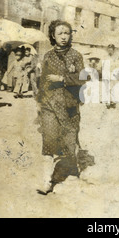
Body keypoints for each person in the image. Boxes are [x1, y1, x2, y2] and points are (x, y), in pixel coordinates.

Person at [36, 20, 95, 195]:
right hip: (49, 104)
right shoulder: (47, 56)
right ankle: (46, 181)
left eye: (67, 33)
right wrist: (39, 103)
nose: (63, 36)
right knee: (49, 140)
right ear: (53, 35)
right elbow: (42, 81)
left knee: (70, 140)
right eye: (60, 33)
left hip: (69, 105)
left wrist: (62, 79)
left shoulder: (76, 56)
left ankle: (76, 170)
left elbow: (83, 78)